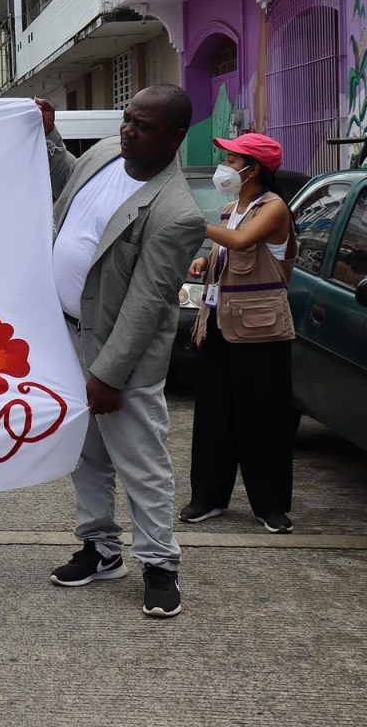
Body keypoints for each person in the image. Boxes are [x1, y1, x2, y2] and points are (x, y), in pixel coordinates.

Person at [37, 88, 207, 618]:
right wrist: (47, 137)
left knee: (141, 463)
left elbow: (147, 304)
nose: (130, 131)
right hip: (66, 336)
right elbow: (65, 182)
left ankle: (160, 565)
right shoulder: (107, 152)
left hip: (117, 358)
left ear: (176, 137)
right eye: (128, 120)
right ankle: (100, 548)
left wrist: (108, 375)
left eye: (145, 127)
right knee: (84, 454)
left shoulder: (177, 212)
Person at [181, 133, 297, 534]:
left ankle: (271, 506)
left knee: (262, 418)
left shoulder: (274, 208)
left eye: (232, 161)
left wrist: (196, 224)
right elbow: (226, 249)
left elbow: (243, 241)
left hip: (261, 334)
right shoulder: (232, 208)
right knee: (214, 417)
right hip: (218, 327)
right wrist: (201, 261)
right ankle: (208, 499)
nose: (224, 168)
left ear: (254, 170)